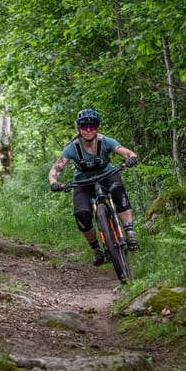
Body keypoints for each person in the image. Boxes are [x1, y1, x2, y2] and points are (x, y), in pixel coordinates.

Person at [49, 107, 139, 266]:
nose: (89, 130)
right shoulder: (72, 147)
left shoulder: (106, 141)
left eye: (92, 126)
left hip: (107, 175)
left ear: (97, 127)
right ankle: (96, 249)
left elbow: (127, 152)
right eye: (85, 126)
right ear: (79, 128)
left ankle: (130, 232)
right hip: (83, 182)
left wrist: (131, 158)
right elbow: (56, 169)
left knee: (118, 191)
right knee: (81, 214)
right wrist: (54, 183)